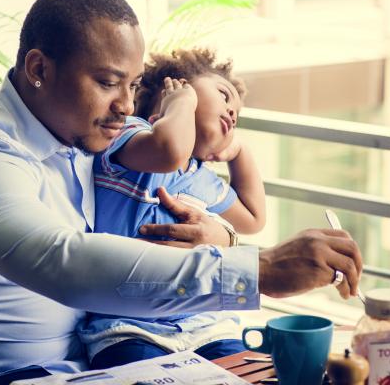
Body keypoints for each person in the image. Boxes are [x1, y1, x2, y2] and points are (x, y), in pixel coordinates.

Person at [0, 0, 363, 384]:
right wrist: (261, 270)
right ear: (39, 70)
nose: (126, 106)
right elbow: (64, 261)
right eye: (107, 82)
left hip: (88, 367)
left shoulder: (80, 133)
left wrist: (224, 237)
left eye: (133, 84)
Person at [81, 48, 266, 369]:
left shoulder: (201, 178)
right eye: (224, 96)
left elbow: (253, 219)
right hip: (128, 327)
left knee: (251, 373)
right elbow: (170, 150)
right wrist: (179, 103)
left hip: (205, 325)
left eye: (237, 115)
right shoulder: (129, 137)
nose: (232, 115)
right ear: (174, 88)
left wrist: (239, 153)